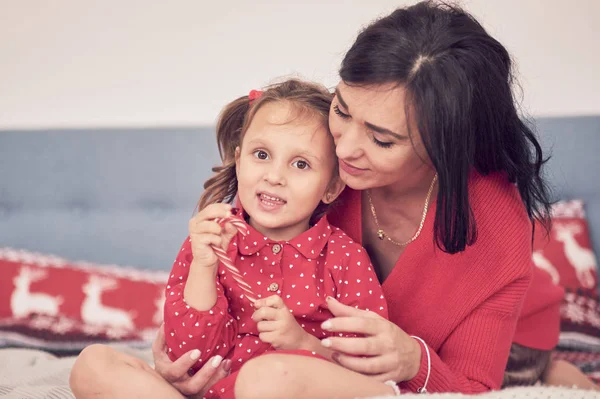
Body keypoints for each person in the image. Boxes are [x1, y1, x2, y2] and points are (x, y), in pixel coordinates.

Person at [71, 1, 597, 398]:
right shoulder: (312, 163)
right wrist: (176, 357)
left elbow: (471, 385)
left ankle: (555, 370)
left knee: (531, 366)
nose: (342, 147)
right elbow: (205, 314)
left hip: (503, 341)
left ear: (446, 147)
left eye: (382, 139)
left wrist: (412, 359)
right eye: (342, 109)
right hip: (301, 371)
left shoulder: (494, 229)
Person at [70, 79, 390, 399]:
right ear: (239, 161)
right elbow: (188, 355)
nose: (274, 176)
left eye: (301, 164)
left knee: (266, 376)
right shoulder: (210, 243)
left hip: (281, 389)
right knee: (93, 363)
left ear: (331, 187)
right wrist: (203, 267)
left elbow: (367, 370)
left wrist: (301, 343)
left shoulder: (345, 257)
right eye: (261, 154)